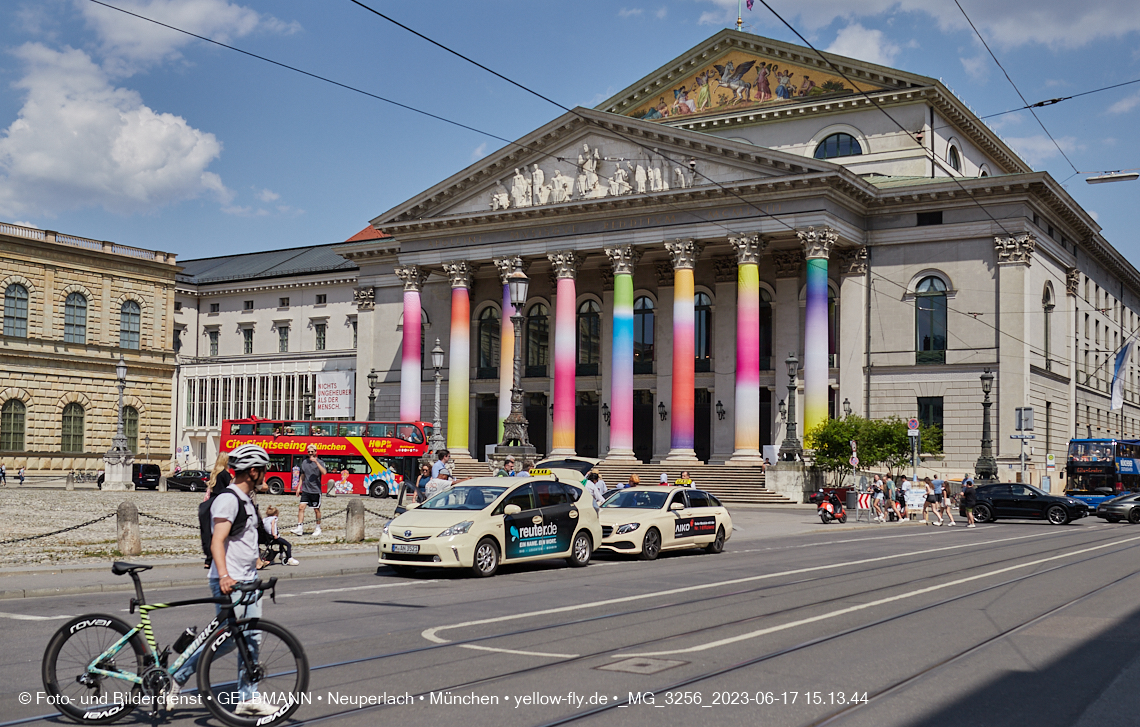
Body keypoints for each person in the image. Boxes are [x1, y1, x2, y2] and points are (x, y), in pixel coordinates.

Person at [170, 443, 276, 715]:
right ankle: (176, 677)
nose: (265, 473)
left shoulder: (246, 499)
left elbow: (245, 539)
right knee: (229, 639)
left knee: (250, 639)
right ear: (253, 471)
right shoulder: (228, 499)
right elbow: (217, 541)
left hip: (247, 579)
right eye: (263, 469)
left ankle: (247, 697)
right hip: (230, 580)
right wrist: (225, 576)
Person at [291, 445, 326, 537]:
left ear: (315, 452)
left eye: (312, 451)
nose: (310, 453)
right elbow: (302, 475)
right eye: (309, 452)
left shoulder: (320, 462)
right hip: (306, 489)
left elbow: (324, 472)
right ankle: (299, 527)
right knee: (301, 507)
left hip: (315, 490)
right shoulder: (304, 462)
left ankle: (318, 528)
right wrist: (299, 487)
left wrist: (316, 462)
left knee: (316, 509)